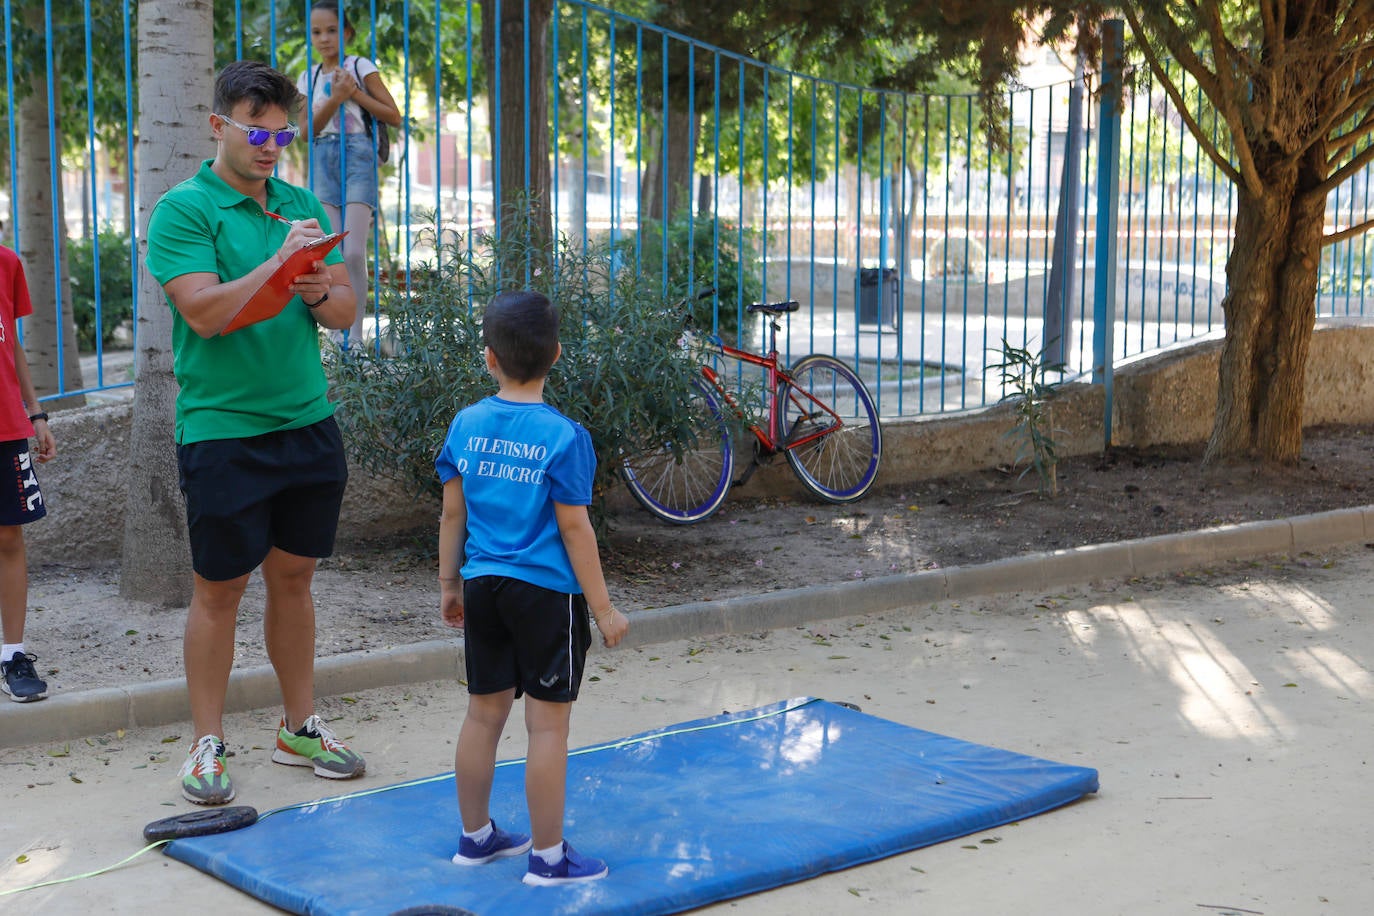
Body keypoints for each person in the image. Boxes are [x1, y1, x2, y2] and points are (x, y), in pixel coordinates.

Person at [144, 59, 365, 806]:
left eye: (282, 133)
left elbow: (342, 312)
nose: (272, 146)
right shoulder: (184, 210)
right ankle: (206, 741)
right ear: (218, 126)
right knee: (219, 591)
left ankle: (298, 726)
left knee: (295, 580)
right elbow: (205, 314)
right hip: (222, 431)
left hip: (307, 421)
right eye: (256, 131)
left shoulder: (298, 201)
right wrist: (278, 264)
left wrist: (317, 287)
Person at [435, 290, 630, 886]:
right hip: (547, 596)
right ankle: (548, 859)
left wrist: (449, 584)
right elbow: (575, 527)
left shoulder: (466, 424)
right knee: (548, 727)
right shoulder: (565, 436)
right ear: (558, 354)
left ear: (488, 357)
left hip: (483, 587)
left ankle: (475, 839)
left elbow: (452, 516)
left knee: (482, 715)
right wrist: (603, 608)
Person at [298, 1, 401, 347]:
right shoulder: (307, 77)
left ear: (346, 33)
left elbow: (393, 114)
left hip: (358, 155)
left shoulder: (360, 66)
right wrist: (335, 98)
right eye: (316, 32)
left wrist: (353, 93)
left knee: (354, 251)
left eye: (331, 30)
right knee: (331, 251)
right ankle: (335, 334)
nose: (324, 38)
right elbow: (306, 131)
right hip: (323, 157)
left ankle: (355, 338)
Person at [0, 245, 57, 703]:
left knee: (8, 538)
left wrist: (36, 413)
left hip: (5, 428)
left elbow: (11, 343)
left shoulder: (7, 262)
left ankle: (12, 655)